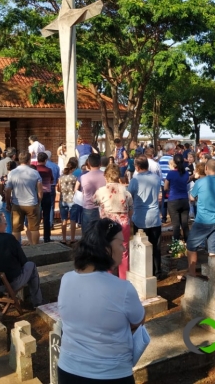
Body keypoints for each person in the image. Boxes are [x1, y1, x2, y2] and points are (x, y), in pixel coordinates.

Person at [57, 219, 144, 383]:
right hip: (111, 374)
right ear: (106, 250)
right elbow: (138, 321)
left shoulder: (66, 279)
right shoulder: (123, 289)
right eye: (120, 244)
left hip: (69, 369)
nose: (124, 248)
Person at [0, 213, 44, 308]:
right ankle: (38, 303)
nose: (6, 226)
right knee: (31, 265)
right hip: (10, 283)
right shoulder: (9, 238)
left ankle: (0, 296)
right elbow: (23, 261)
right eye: (5, 224)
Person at [185, 159, 215, 278]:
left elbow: (191, 198)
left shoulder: (200, 182)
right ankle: (212, 276)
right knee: (213, 250)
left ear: (206, 168)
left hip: (203, 220)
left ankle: (191, 273)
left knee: (191, 246)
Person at [93, 164, 133, 280]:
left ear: (105, 176)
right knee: (123, 250)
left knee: (107, 249)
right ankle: (123, 279)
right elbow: (131, 208)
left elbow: (93, 201)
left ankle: (108, 277)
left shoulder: (101, 191)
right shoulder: (125, 190)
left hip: (108, 223)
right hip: (123, 221)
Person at [128, 155, 163, 278]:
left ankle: (142, 270)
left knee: (141, 246)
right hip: (154, 216)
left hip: (140, 218)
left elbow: (129, 196)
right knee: (156, 246)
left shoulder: (135, 180)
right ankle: (157, 271)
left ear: (137, 167)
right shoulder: (156, 178)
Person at [5, 151, 42, 245]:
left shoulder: (12, 173)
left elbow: (8, 189)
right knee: (34, 228)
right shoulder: (35, 173)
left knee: (16, 229)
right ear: (29, 160)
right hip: (32, 203)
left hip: (17, 203)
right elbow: (40, 191)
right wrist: (39, 201)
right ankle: (35, 248)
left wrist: (8, 203)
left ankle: (17, 248)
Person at [76, 153, 106, 233]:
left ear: (88, 163)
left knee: (87, 235)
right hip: (104, 208)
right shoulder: (106, 176)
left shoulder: (83, 177)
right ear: (100, 163)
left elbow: (83, 192)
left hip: (88, 208)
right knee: (102, 235)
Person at [164, 154, 190, 242]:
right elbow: (187, 180)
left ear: (174, 162)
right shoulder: (185, 173)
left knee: (176, 225)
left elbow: (165, 187)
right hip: (184, 199)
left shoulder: (171, 173)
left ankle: (176, 245)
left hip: (173, 200)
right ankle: (188, 243)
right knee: (185, 225)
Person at [58, 159, 79, 244]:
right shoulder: (74, 178)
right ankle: (72, 238)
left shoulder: (61, 178)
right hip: (72, 200)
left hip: (63, 199)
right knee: (73, 220)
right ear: (73, 169)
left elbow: (59, 189)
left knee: (64, 220)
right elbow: (76, 189)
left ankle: (63, 238)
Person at [36, 152, 54, 242]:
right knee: (46, 217)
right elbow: (51, 181)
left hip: (36, 195)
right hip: (46, 194)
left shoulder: (35, 169)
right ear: (45, 160)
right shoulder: (48, 170)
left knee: (36, 217)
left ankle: (35, 237)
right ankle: (46, 238)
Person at [0, 160, 16, 234]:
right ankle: (17, 240)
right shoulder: (16, 177)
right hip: (16, 201)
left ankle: (9, 238)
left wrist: (4, 196)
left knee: (8, 222)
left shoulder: (3, 177)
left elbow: (0, 189)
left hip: (5, 201)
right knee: (16, 223)